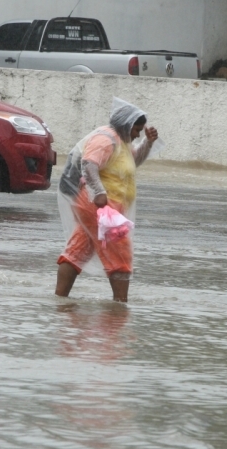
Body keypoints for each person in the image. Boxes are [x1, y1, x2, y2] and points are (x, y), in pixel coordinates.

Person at [55, 97, 159, 302]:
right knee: (121, 253)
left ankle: (60, 300)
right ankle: (120, 307)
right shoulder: (106, 139)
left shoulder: (121, 141)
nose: (137, 134)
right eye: (136, 130)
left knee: (78, 250)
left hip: (101, 207)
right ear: (126, 125)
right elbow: (89, 164)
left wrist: (148, 142)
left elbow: (133, 161)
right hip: (100, 206)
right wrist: (99, 191)